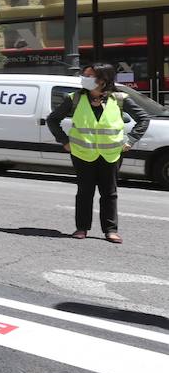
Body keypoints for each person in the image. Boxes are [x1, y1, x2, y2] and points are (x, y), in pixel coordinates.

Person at [46, 63, 151, 243]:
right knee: (85, 192)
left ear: (102, 80)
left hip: (110, 154)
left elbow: (143, 118)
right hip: (82, 153)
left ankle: (110, 230)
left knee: (109, 193)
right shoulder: (75, 98)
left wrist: (130, 140)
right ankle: (81, 228)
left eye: (89, 75)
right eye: (84, 74)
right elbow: (53, 119)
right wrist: (64, 141)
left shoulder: (119, 99)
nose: (83, 78)